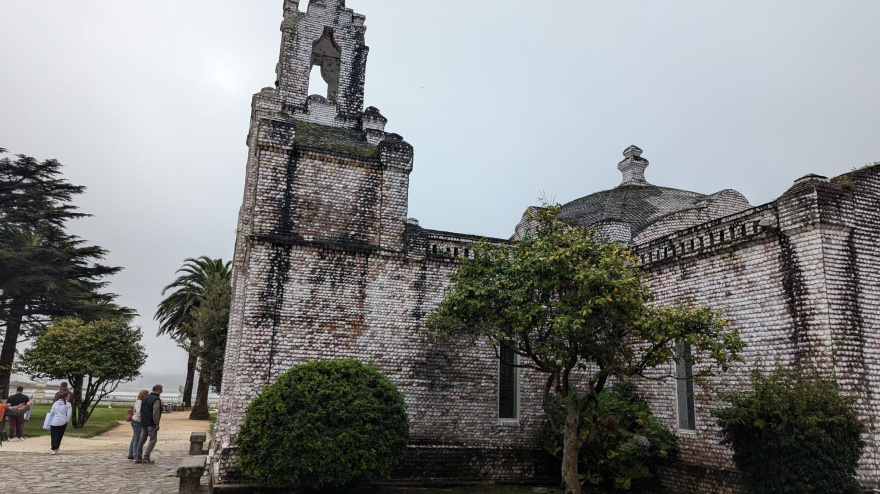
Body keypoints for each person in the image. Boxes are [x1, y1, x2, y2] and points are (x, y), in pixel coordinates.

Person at [135, 384, 163, 464]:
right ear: (157, 390)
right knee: (153, 440)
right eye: (161, 390)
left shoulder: (145, 398)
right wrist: (156, 423)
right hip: (151, 423)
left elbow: (142, 410)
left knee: (142, 439)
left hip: (144, 422)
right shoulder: (156, 400)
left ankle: (138, 457)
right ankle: (146, 457)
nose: (162, 392)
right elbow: (156, 412)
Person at [48, 391, 72, 455]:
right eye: (68, 396)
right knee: (60, 435)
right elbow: (69, 414)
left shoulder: (56, 403)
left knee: (54, 435)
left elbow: (52, 411)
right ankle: (57, 446)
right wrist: (66, 420)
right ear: (65, 397)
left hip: (54, 421)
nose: (69, 397)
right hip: (63, 421)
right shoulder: (68, 404)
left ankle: (53, 448)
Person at [128, 389, 149, 460]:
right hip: (138, 420)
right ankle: (135, 454)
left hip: (134, 420)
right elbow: (140, 412)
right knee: (137, 438)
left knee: (134, 437)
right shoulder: (140, 402)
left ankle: (131, 454)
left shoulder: (137, 401)